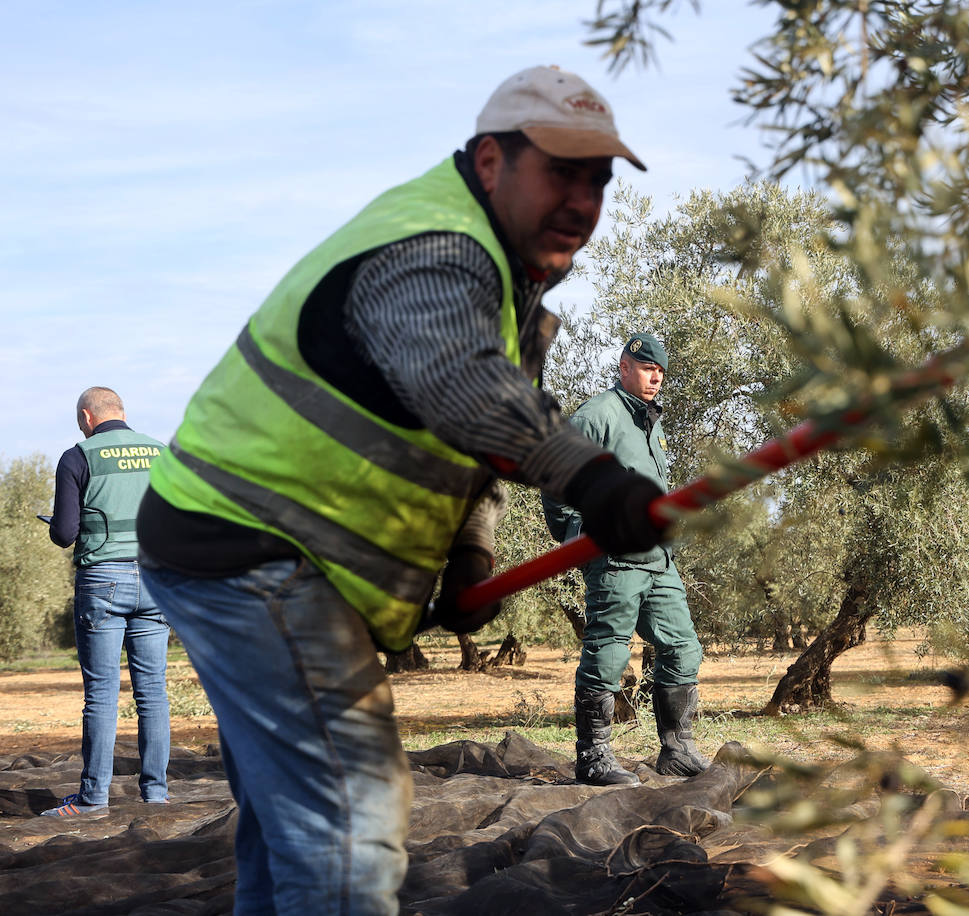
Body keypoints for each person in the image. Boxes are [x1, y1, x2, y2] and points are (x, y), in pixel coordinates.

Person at [135, 66, 665, 914]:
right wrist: (594, 477)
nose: (582, 199)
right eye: (561, 171)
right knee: (351, 819)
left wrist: (470, 556)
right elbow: (468, 390)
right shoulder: (437, 248)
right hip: (251, 549)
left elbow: (476, 450)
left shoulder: (508, 285)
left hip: (244, 551)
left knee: (291, 830)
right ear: (491, 161)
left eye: (597, 179)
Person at [543, 333, 710, 786]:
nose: (656, 377)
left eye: (661, 371)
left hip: (657, 558)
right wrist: (578, 537)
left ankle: (677, 750)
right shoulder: (598, 416)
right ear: (624, 367)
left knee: (682, 647)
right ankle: (593, 756)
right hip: (615, 558)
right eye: (647, 367)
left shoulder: (648, 422)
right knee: (609, 649)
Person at [43, 386, 170, 816]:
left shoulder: (78, 455)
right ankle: (156, 794)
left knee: (101, 693)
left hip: (104, 581)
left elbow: (64, 533)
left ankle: (94, 799)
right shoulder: (160, 452)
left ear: (87, 416)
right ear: (122, 412)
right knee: (152, 691)